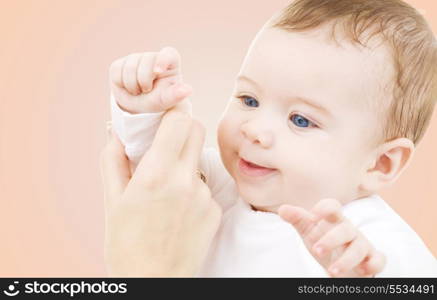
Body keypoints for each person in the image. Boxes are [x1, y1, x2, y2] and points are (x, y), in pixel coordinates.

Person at [107, 0, 437, 276]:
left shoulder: (367, 241)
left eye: (301, 120)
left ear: (379, 163)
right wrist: (144, 109)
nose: (254, 130)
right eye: (249, 100)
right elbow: (153, 177)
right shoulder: (221, 183)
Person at [100, 108, 222, 277]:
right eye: (249, 101)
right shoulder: (218, 172)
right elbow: (149, 162)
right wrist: (142, 111)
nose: (258, 133)